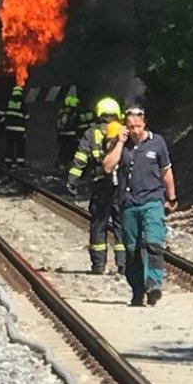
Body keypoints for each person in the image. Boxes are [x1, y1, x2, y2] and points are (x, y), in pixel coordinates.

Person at [102, 106, 178, 307]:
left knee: (154, 243)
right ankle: (137, 290)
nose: (134, 130)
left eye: (137, 126)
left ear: (144, 123)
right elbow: (108, 167)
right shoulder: (120, 144)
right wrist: (119, 142)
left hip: (153, 200)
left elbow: (166, 172)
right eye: (130, 126)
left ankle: (153, 285)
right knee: (132, 250)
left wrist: (171, 196)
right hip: (128, 203)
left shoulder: (157, 142)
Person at [66, 97, 127, 275]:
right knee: (121, 224)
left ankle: (98, 265)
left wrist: (72, 180)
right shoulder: (123, 132)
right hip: (121, 186)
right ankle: (122, 264)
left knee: (98, 224)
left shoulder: (91, 133)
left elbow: (81, 158)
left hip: (100, 185)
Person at [0, 84, 28, 166]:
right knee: (20, 146)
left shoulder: (8, 102)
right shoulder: (22, 104)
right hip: (20, 129)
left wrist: (3, 119)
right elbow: (27, 116)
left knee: (10, 145)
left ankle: (8, 161)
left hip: (9, 128)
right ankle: (20, 162)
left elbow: (0, 112)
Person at [55, 94, 80, 170]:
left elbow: (59, 124)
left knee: (63, 150)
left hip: (63, 135)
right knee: (72, 151)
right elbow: (76, 124)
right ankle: (69, 165)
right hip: (72, 135)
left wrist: (59, 133)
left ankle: (61, 165)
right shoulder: (74, 113)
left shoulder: (61, 112)